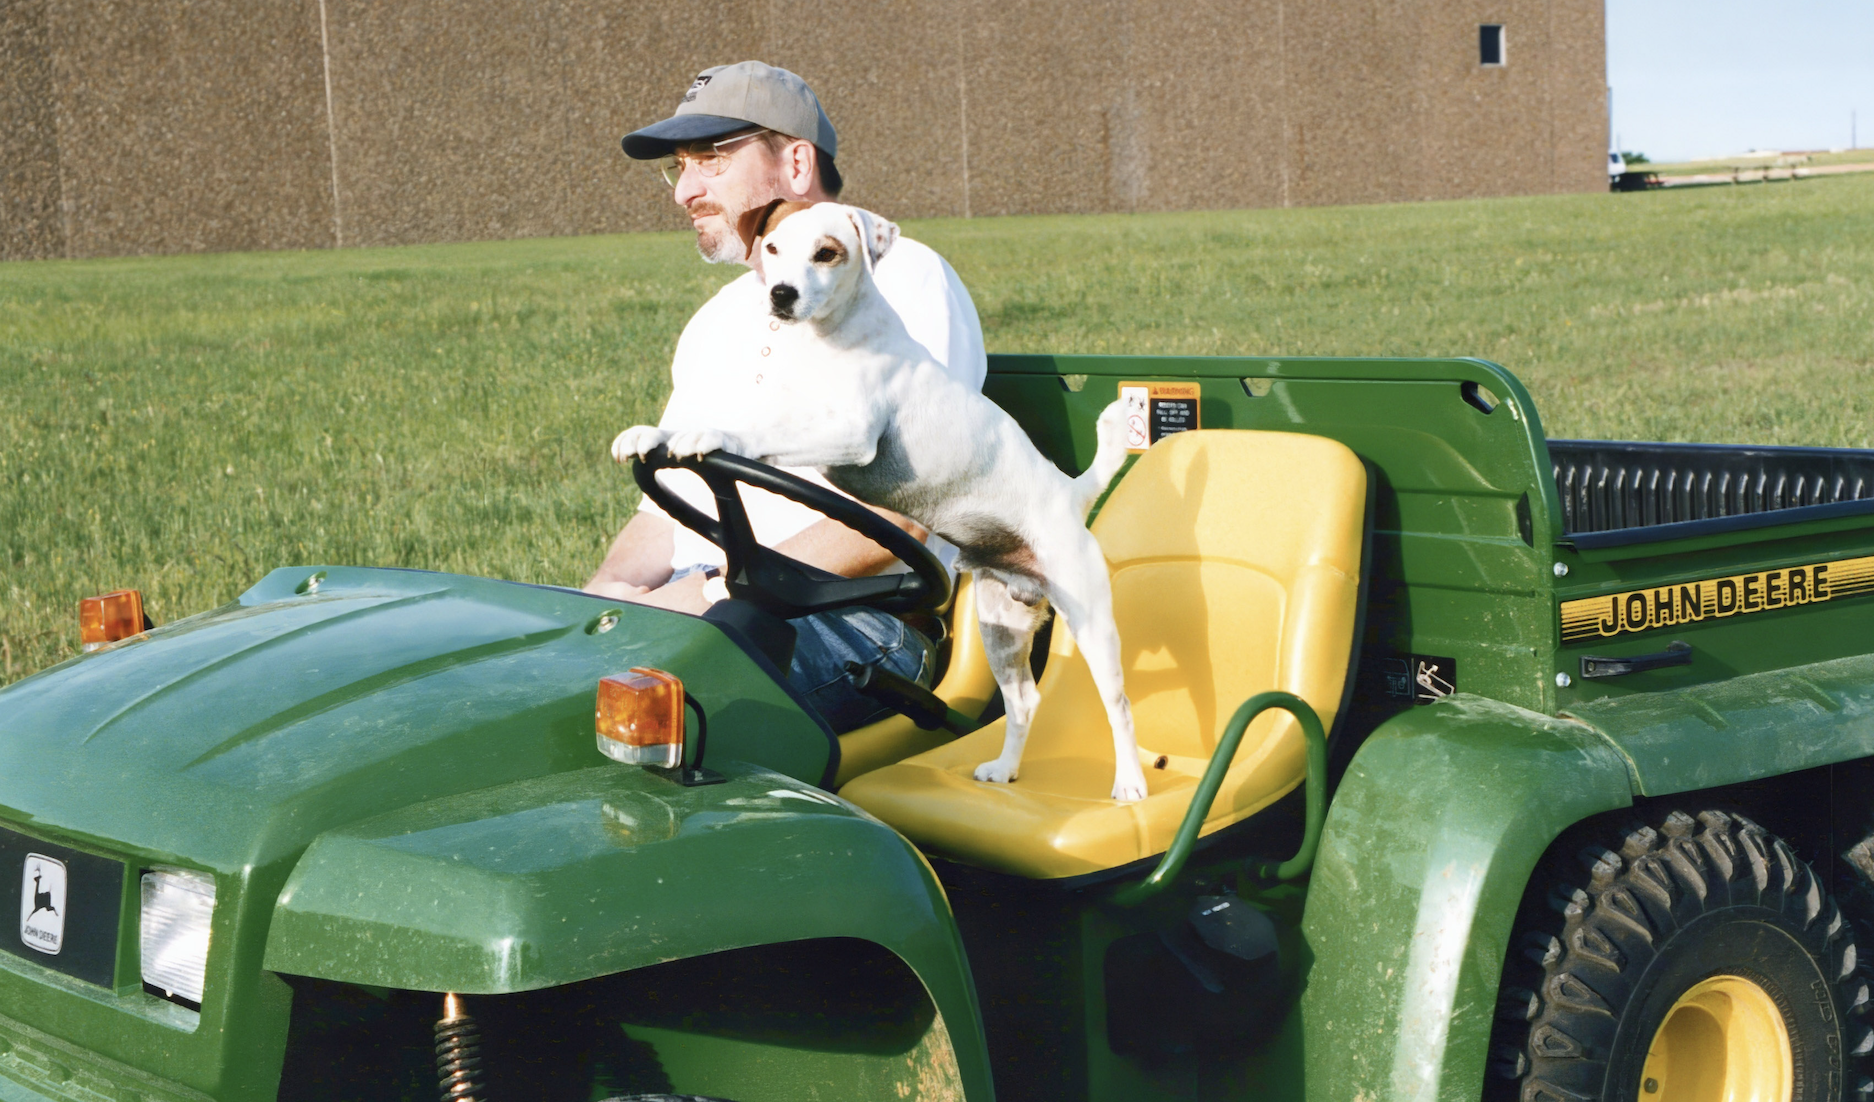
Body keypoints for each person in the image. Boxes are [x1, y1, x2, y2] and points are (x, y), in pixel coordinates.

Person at [587, 61, 987, 732]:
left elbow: (896, 522)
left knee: (643, 705)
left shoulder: (902, 282)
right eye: (677, 167)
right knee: (519, 667)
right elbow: (667, 511)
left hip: (854, 623)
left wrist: (717, 590)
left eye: (710, 160)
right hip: (713, 606)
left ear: (797, 163)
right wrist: (601, 596)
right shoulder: (717, 320)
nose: (685, 190)